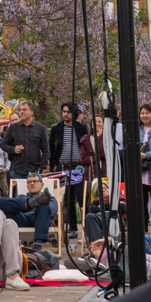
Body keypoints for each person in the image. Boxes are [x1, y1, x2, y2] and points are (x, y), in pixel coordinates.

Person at [50, 102, 88, 237]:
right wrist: (54, 165)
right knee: (68, 199)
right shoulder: (56, 129)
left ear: (74, 114)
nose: (65, 114)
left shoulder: (82, 128)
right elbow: (51, 148)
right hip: (63, 166)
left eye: (68, 112)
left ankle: (86, 227)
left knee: (82, 197)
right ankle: (73, 229)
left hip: (78, 166)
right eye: (63, 111)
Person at [0, 171, 56, 249]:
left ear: (42, 185)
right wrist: (26, 204)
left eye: (35, 181)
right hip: (23, 219)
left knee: (44, 206)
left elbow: (52, 212)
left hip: (39, 220)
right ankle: (29, 203)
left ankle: (38, 245)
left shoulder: (50, 198)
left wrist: (40, 204)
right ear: (27, 186)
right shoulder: (21, 197)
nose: (32, 183)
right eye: (29, 182)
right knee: (0, 201)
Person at [1, 100, 49, 179]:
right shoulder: (13, 128)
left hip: (35, 171)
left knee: (36, 191)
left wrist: (41, 166)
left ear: (32, 112)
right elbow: (3, 144)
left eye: (25, 109)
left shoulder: (40, 128)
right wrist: (13, 149)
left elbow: (46, 150)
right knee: (20, 192)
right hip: (17, 171)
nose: (22, 112)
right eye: (20, 110)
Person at [80, 116, 107, 188]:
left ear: (103, 124)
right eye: (95, 122)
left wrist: (99, 138)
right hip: (90, 174)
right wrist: (98, 157)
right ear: (92, 125)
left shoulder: (107, 139)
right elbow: (84, 159)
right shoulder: (85, 140)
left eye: (100, 121)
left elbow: (104, 154)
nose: (97, 124)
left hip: (104, 173)